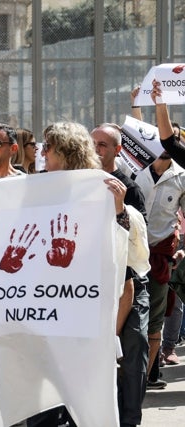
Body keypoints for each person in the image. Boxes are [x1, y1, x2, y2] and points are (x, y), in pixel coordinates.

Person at [24, 121, 148, 427]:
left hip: (83, 309)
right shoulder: (34, 187)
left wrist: (118, 210)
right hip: (45, 307)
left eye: (48, 147)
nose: (42, 152)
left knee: (85, 392)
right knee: (45, 394)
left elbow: (126, 261)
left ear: (64, 152)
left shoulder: (106, 189)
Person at [91, 123, 150, 427]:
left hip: (128, 284)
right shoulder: (82, 182)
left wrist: (119, 209)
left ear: (117, 150)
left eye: (102, 144)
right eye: (93, 143)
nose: (96, 149)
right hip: (91, 284)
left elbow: (134, 248)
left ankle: (129, 419)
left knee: (134, 346)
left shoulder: (130, 189)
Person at [131, 80, 185, 390]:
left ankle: (149, 373)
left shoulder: (181, 176)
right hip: (131, 253)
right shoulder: (136, 167)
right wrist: (141, 104)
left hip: (160, 256)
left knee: (156, 315)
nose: (166, 143)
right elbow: (142, 138)